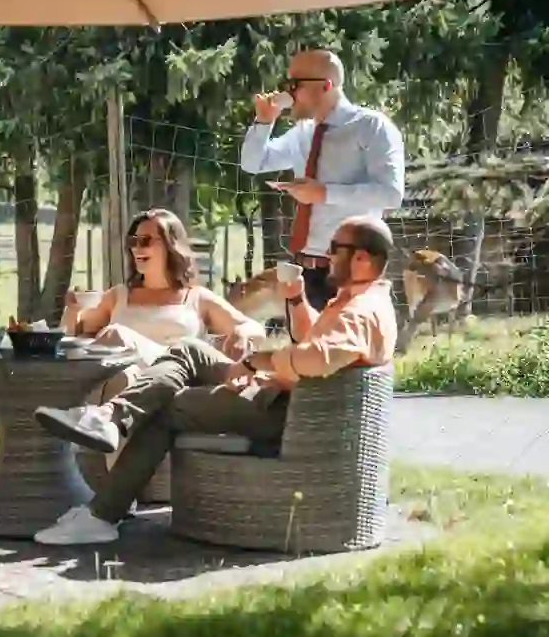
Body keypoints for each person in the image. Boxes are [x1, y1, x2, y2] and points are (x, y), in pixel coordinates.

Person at [32, 215, 398, 545]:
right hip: (279, 390)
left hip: (281, 405)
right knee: (190, 350)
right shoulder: (357, 300)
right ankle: (110, 418)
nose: (326, 256)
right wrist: (297, 298)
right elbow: (311, 341)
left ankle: (102, 514)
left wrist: (260, 360)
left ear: (362, 258)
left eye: (336, 248)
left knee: (168, 407)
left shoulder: (361, 312)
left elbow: (315, 359)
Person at [61, 207, 266, 473]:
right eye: (133, 241)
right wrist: (74, 309)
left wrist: (241, 332)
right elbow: (75, 333)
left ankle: (88, 427)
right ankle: (117, 490)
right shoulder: (118, 295)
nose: (136, 248)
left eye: (146, 241)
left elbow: (253, 328)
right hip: (131, 384)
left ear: (171, 246)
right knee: (123, 375)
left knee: (114, 335)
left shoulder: (196, 297)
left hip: (172, 379)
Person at [240, 49, 405, 312]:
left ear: (326, 86)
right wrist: (263, 121)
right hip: (306, 272)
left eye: (294, 85)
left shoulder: (371, 127)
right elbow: (252, 163)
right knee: (306, 351)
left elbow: (391, 194)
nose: (288, 93)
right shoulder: (302, 132)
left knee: (348, 352)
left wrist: (325, 193)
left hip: (352, 272)